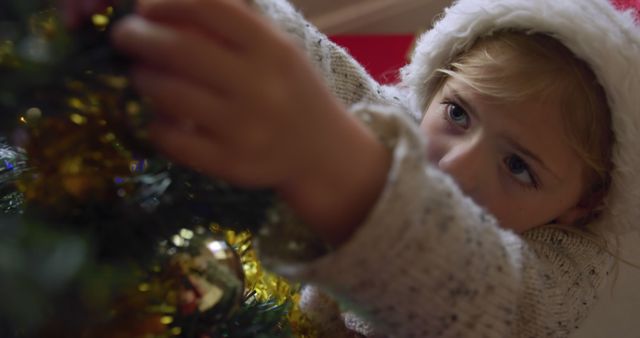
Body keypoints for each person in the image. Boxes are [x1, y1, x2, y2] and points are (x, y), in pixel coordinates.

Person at [63, 0, 640, 337]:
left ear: (582, 204)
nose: (455, 167)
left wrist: (336, 162)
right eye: (459, 113)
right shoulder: (411, 125)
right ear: (435, 88)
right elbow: (323, 71)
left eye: (519, 166)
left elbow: (484, 291)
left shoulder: (572, 275)